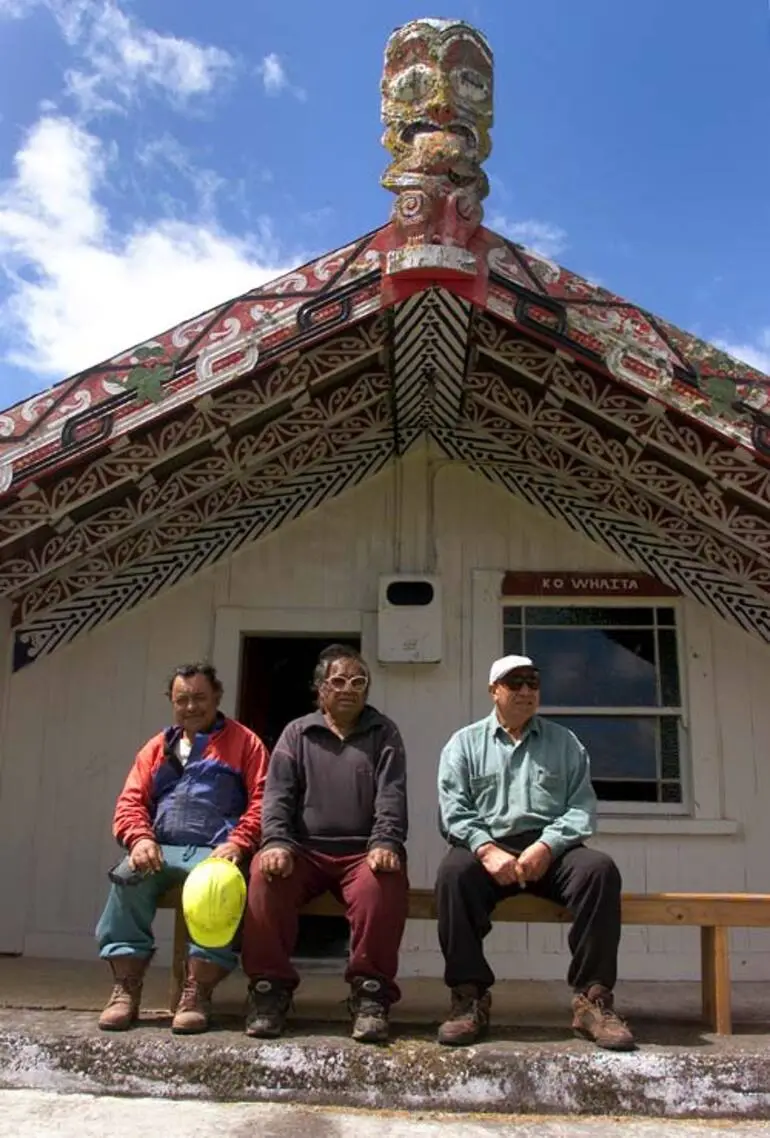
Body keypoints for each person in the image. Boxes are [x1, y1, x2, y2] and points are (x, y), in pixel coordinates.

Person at [435, 654, 634, 1051]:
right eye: (515, 683)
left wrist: (548, 845)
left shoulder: (565, 743)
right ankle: (468, 997)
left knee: (599, 870)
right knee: (453, 875)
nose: (526, 691)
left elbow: (581, 808)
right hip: (489, 848)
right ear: (494, 691)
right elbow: (453, 811)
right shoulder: (464, 744)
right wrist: (486, 848)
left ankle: (592, 1000)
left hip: (552, 848)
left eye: (532, 683)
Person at [241, 644, 409, 1044]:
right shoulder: (297, 733)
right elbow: (277, 796)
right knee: (264, 878)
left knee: (382, 884)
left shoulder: (383, 732)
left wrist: (385, 840)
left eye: (358, 681)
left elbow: (392, 795)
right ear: (319, 689)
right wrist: (277, 841)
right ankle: (269, 990)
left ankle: (370, 994)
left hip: (362, 852)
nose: (349, 688)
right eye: (338, 681)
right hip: (303, 851)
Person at [95, 663, 269, 1034]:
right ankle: (126, 987)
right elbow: (130, 801)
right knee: (127, 877)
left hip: (214, 852)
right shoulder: (157, 748)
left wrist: (239, 841)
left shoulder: (244, 743)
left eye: (200, 698)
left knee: (217, 889)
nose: (192, 707)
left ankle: (198, 991)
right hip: (161, 848)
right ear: (172, 703)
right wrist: (140, 838)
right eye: (183, 700)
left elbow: (263, 800)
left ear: (217, 697)